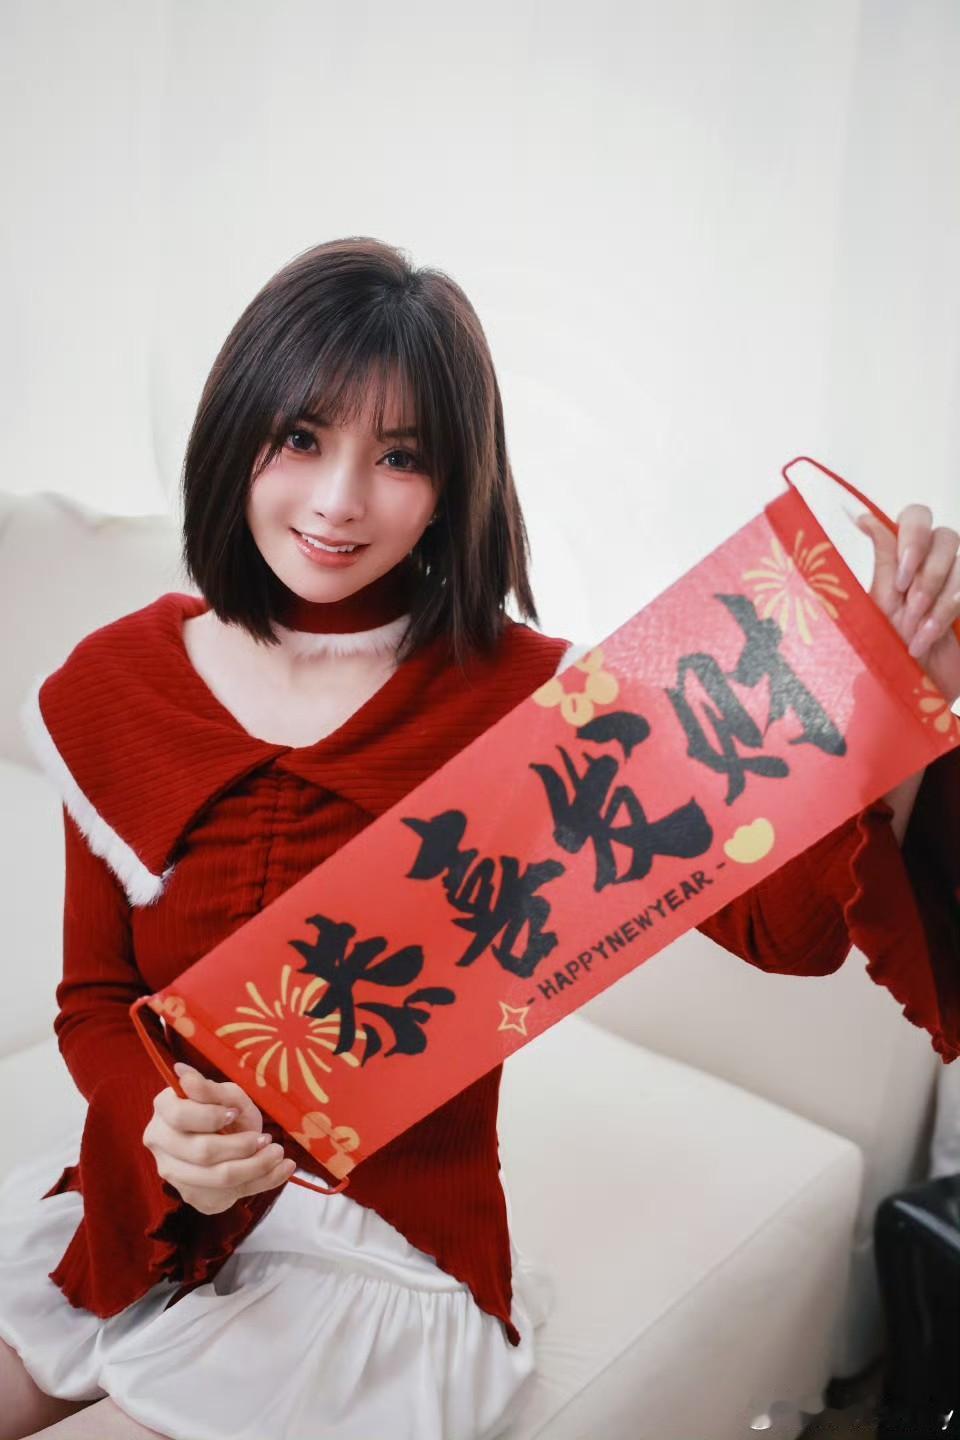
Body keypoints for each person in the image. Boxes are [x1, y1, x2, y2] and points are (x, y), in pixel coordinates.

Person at [0, 236, 958, 1440]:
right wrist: (159, 1120)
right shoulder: (120, 681)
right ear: (233, 431)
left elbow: (788, 929)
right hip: (143, 1197)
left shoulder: (537, 704)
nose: (340, 500)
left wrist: (895, 704)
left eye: (400, 457)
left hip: (370, 1254)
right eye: (301, 437)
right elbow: (94, 999)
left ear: (456, 483)